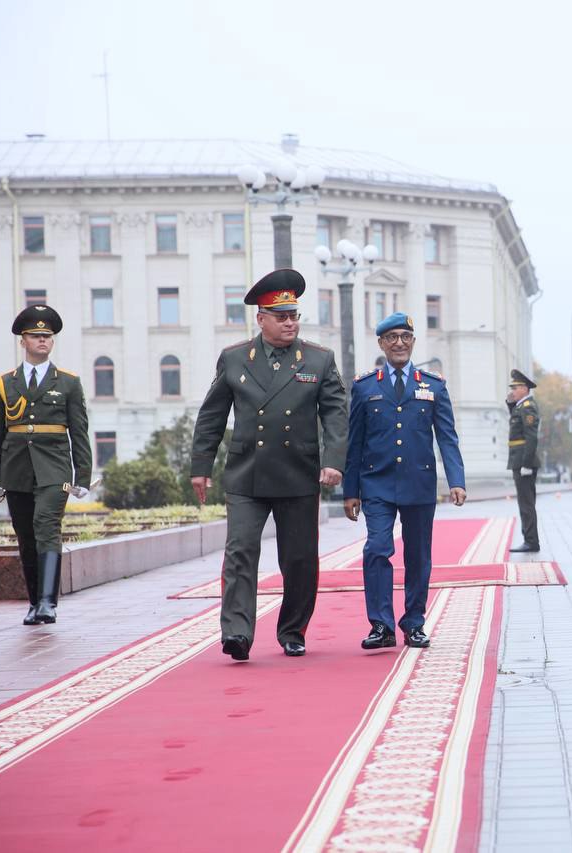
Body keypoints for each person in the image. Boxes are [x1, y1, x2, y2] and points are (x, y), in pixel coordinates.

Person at [190, 269, 348, 660]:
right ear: (261, 319)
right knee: (240, 551)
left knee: (298, 559)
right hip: (247, 473)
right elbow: (211, 416)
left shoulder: (319, 359)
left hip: (298, 472)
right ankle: (237, 633)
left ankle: (293, 629)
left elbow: (336, 415)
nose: (290, 322)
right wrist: (200, 465)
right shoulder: (233, 359)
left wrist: (333, 462)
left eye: (294, 315)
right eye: (281, 316)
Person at [344, 312, 467, 651]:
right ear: (381, 344)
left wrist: (456, 479)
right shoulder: (365, 385)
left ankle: (414, 623)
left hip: (418, 484)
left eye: (405, 337)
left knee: (418, 556)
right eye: (392, 337)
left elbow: (447, 437)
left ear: (413, 342)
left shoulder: (433, 385)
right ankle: (381, 625)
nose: (399, 343)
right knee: (377, 549)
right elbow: (354, 442)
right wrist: (350, 490)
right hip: (377, 484)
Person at [0, 305, 91, 625]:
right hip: (15, 469)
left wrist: (82, 475)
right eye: (36, 336)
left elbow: (79, 431)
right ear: (23, 341)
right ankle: (33, 603)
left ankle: (48, 603)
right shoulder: (5, 383)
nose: (43, 341)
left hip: (54, 469)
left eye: (48, 336)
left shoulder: (69, 383)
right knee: (25, 535)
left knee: (46, 524)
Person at [505, 369, 541, 552]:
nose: (512, 390)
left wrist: (527, 464)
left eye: (516, 387)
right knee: (525, 503)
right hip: (519, 460)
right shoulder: (521, 406)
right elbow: (516, 423)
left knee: (526, 504)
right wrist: (510, 404)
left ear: (525, 389)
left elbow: (531, 437)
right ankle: (530, 539)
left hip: (523, 462)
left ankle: (531, 541)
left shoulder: (528, 407)